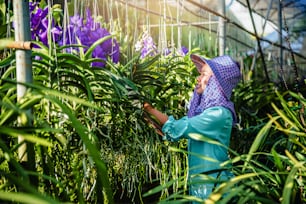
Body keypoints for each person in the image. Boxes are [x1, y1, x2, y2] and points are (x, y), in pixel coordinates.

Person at [143, 54, 241, 202]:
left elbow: (178, 128)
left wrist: (148, 108)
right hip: (202, 187)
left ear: (215, 82)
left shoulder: (218, 114)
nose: (198, 79)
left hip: (214, 188)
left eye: (203, 74)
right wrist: (148, 113)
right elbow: (175, 127)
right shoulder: (208, 112)